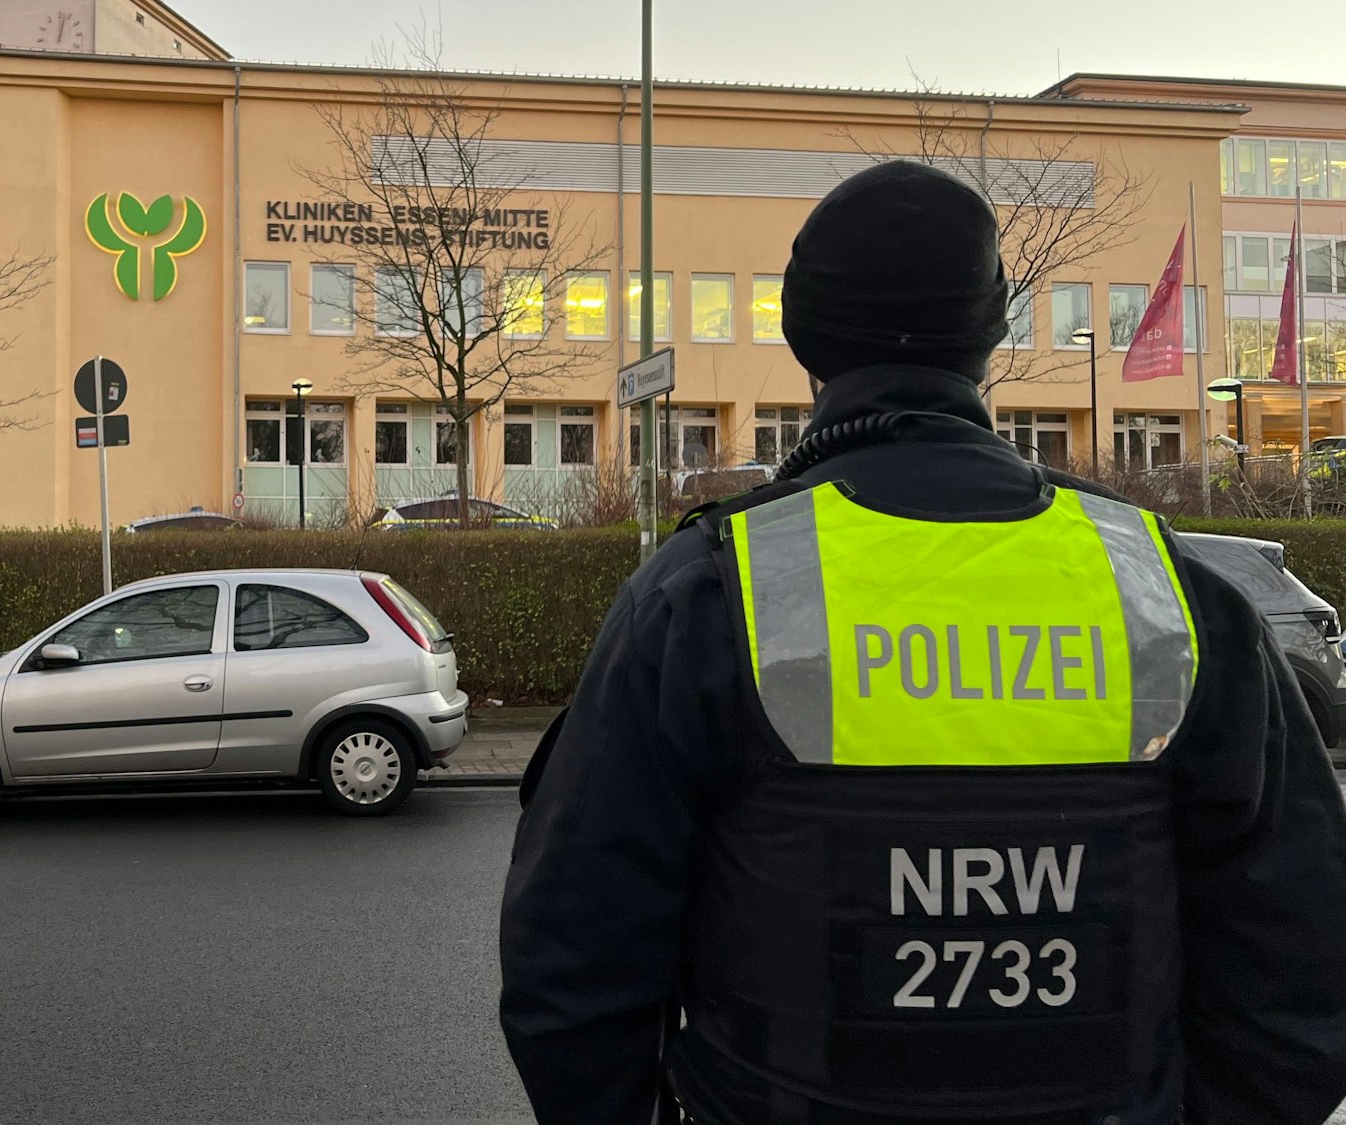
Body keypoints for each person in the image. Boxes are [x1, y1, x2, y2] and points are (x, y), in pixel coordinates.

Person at [499, 161, 1346, 1125]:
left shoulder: (707, 593)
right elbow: (1303, 958)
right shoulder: (1165, 591)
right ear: (990, 337)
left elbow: (570, 967)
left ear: (802, 338)